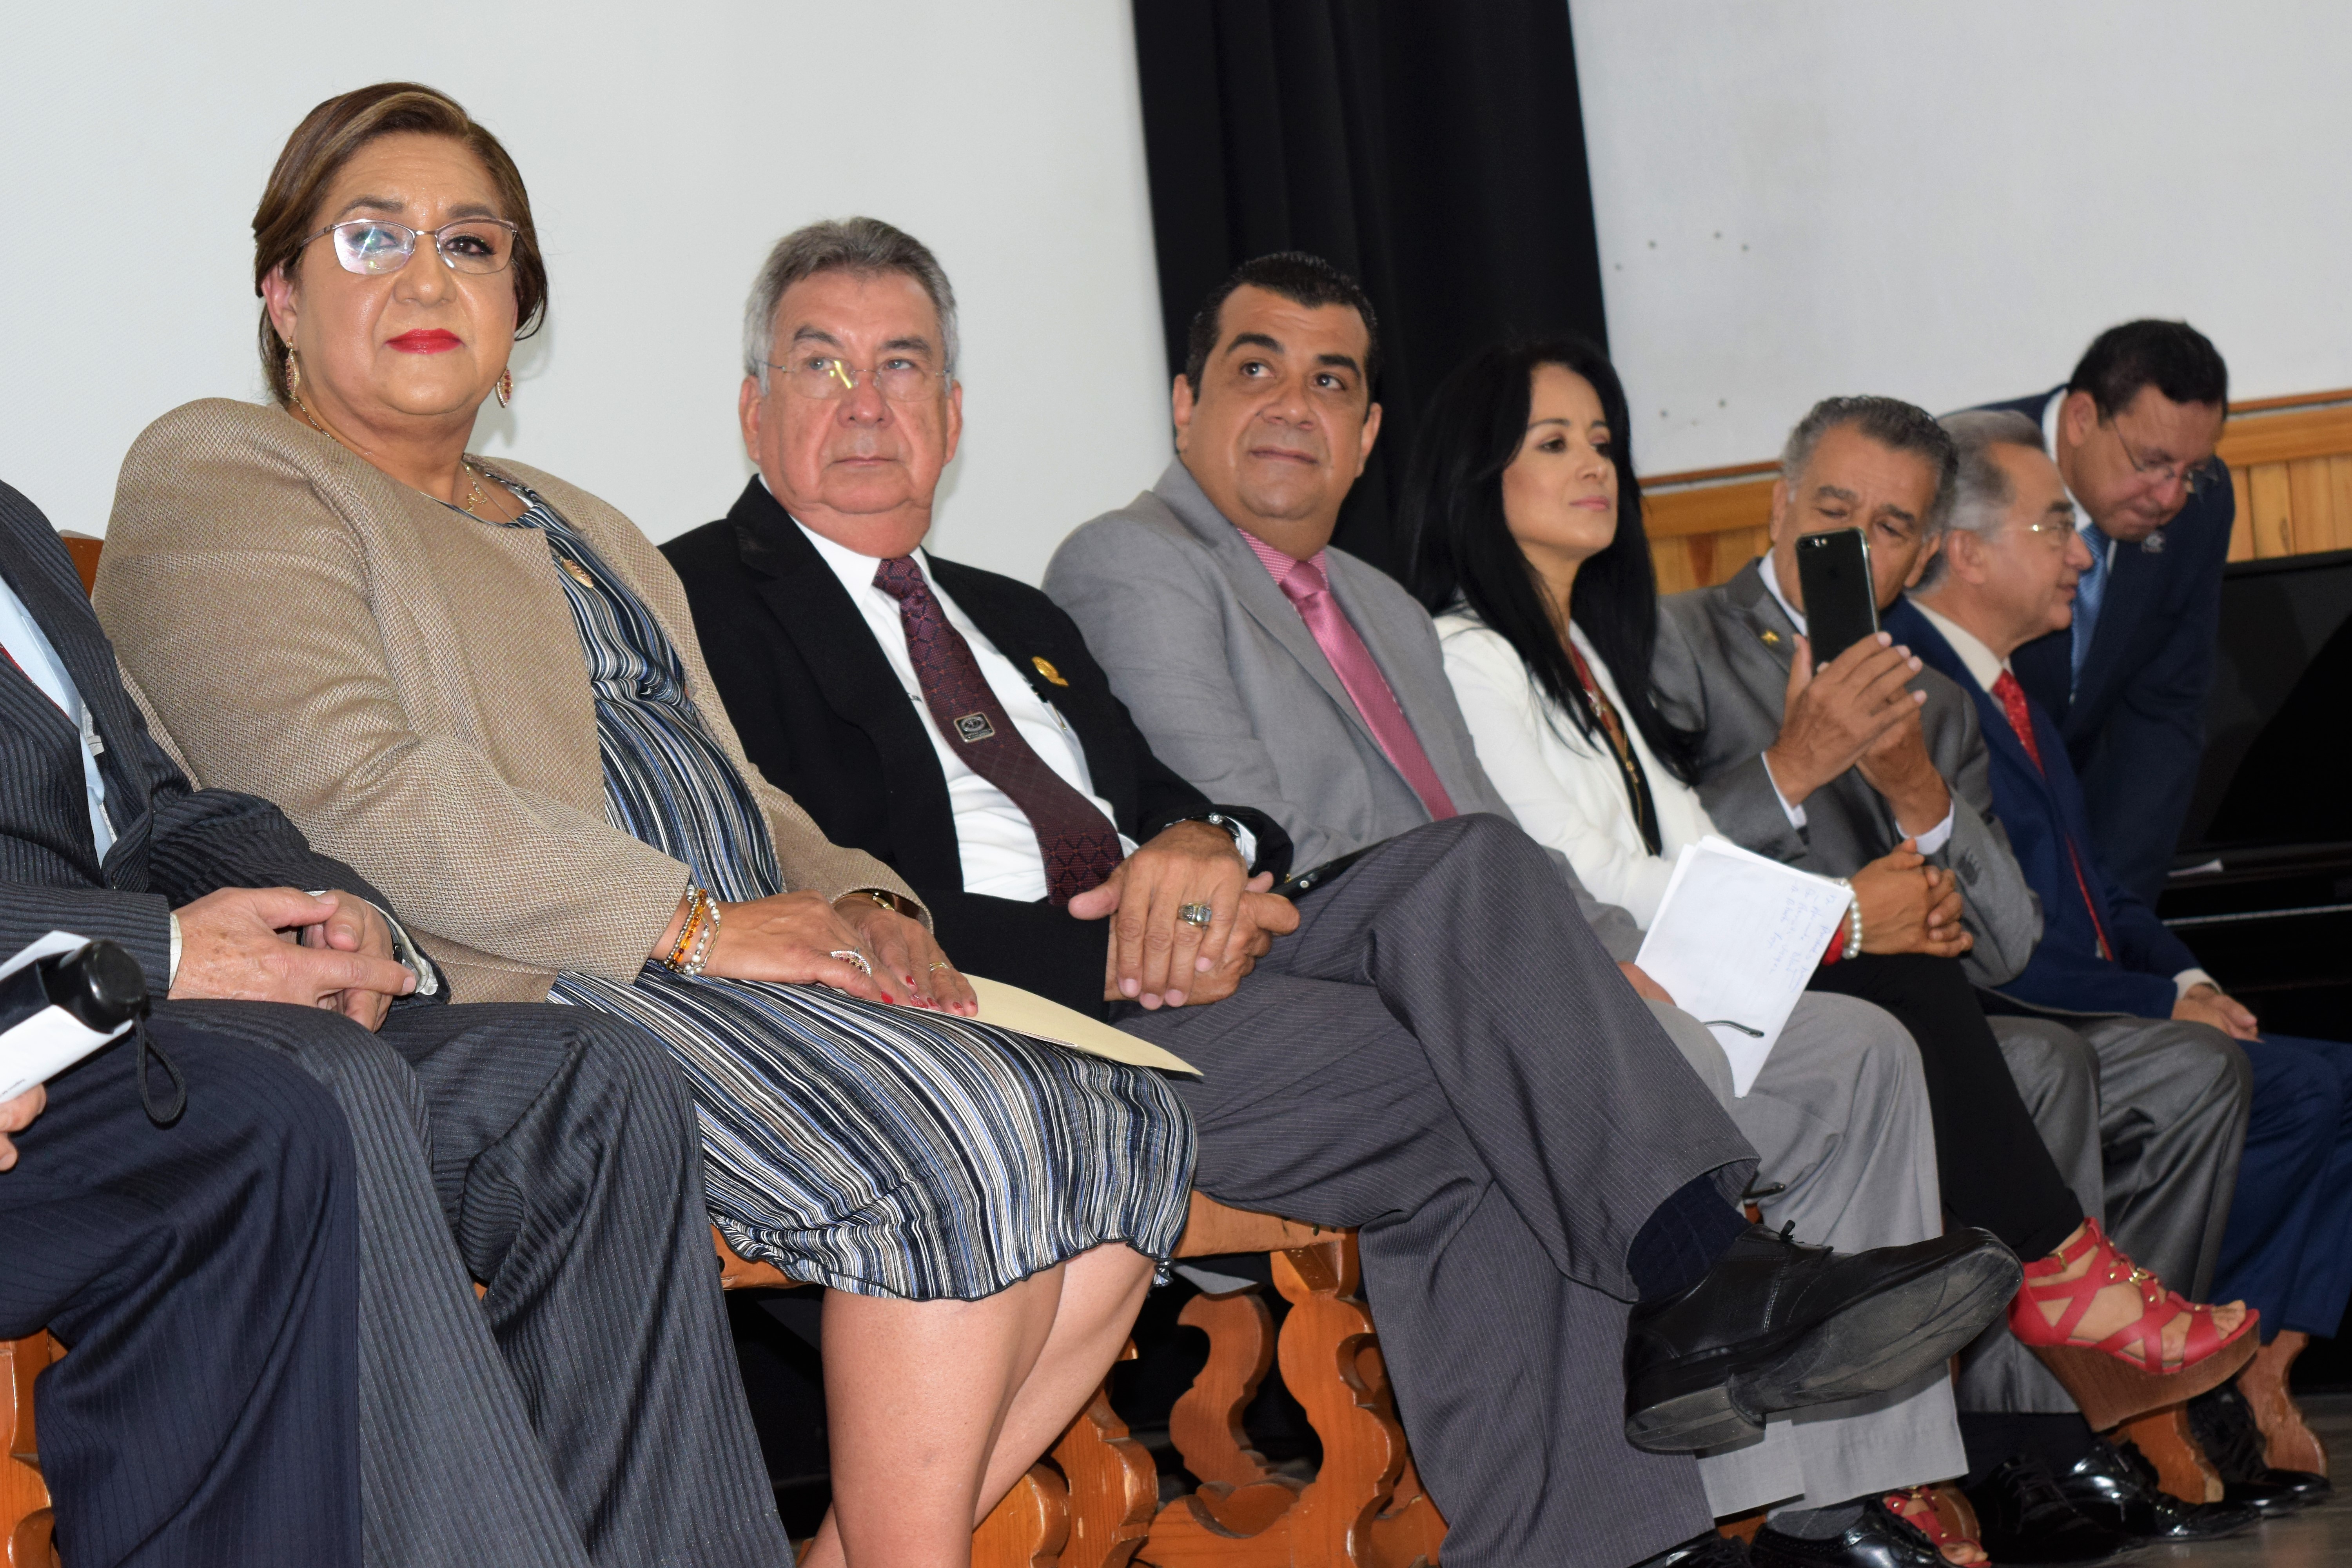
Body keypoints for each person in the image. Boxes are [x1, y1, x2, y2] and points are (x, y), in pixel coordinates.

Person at [670, 223, 2017, 1568]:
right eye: (823, 364)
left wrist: (1210, 852)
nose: (867, 403)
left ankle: (1642, 1449)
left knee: (1486, 950)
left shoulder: (1016, 614)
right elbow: (776, 873)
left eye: (902, 366)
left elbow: (1194, 808)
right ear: (753, 407)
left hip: (1209, 992)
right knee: (1493, 1031)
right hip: (1005, 1031)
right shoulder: (696, 604)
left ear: (954, 414)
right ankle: (1691, 1317)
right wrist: (1142, 933)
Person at [93, 85, 1189, 1568]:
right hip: (544, 973)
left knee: (1128, 1128)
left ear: (517, 310)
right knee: (976, 1132)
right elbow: (342, 788)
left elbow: (747, 791)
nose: (427, 277)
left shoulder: (584, 522)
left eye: (471, 245)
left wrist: (871, 906)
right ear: (283, 296)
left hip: (743, 957)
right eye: (372, 238)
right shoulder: (228, 467)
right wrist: (695, 926)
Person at [1399, 335, 2128, 1568]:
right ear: (1478, 475)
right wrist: (1846, 910)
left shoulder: (1578, 656)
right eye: (1554, 443)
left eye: (1604, 442)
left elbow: (1687, 840)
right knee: (1888, 997)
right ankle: (2048, 1283)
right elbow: (1585, 884)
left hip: (1677, 982)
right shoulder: (1469, 655)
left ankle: (1846, 1498)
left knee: (1878, 1043)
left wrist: (1863, 898)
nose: (1596, 467)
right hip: (1596, 1013)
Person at [0, 479, 788, 1566]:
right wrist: (163, 947)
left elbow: (155, 812)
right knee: (317, 1087)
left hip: (151, 1015)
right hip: (39, 1032)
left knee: (594, 1081)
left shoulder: (14, 525)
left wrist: (331, 909)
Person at [1648, 394, 2259, 1534]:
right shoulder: (1677, 643)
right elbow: (1648, 880)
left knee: (2049, 1057)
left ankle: (2026, 1440)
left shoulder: (1930, 694)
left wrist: (1916, 791)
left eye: (1889, 528)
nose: (1854, 547)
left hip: (1921, 1001)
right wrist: (1796, 768)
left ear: (1924, 548)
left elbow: (2012, 941)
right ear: (1778, 506)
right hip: (1741, 1004)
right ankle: (2008, 1404)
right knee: (1977, 1050)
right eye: (1832, 512)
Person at [1896, 411, 2352, 1488]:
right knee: (2277, 1085)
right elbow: (1993, 947)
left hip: (2102, 997)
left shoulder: (2014, 687)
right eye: (2056, 526)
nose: (2085, 553)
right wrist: (2161, 1009)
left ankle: (2233, 1363)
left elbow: (2103, 892)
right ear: (1966, 551)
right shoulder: (1917, 689)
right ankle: (2157, 1379)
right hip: (2020, 1017)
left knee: (2323, 1081)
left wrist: (2188, 977)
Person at [1965, 322, 2232, 907]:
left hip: (2089, 830)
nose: (2171, 497)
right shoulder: (1960, 473)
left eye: (2190, 472)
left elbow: (2166, 710)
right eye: (2153, 463)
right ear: (2082, 419)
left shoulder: (2204, 502)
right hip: (1966, 848)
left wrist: (2112, 913)